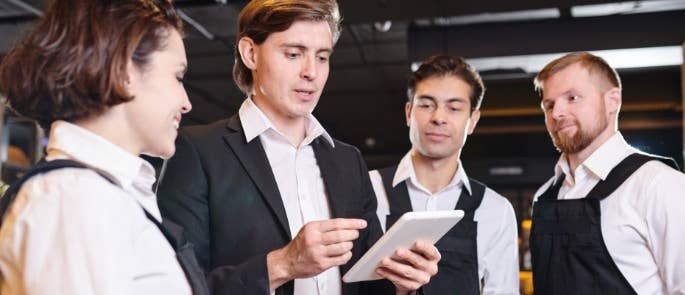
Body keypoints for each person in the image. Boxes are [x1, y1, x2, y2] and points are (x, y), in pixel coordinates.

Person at [156, 0, 440, 294]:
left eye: (322, 57)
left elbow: (368, 285)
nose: (311, 73)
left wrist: (402, 284)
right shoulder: (198, 152)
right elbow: (175, 285)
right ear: (250, 53)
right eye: (294, 54)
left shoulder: (347, 160)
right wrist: (283, 264)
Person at [0, 0, 205, 294]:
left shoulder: (97, 193)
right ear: (125, 72)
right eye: (178, 77)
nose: (186, 102)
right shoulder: (74, 198)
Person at [530, 52, 685, 294]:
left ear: (612, 101)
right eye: (549, 105)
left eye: (572, 97)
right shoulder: (544, 196)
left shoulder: (659, 185)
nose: (557, 113)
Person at [369, 55, 520, 295]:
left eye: (454, 108)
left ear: (472, 121)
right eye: (427, 105)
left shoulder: (495, 210)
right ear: (409, 113)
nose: (438, 117)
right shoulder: (367, 190)